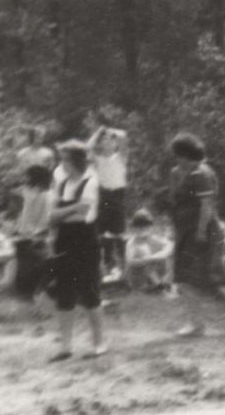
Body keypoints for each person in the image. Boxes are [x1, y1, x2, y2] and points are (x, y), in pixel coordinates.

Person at [169, 133, 225, 337]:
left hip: (201, 232)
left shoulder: (200, 174)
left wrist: (200, 232)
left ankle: (202, 322)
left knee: (190, 278)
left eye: (179, 155)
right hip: (192, 232)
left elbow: (206, 206)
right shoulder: (195, 172)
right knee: (198, 278)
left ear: (185, 155)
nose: (177, 160)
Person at [47, 141, 107, 360]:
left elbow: (83, 214)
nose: (61, 163)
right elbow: (51, 217)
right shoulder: (61, 184)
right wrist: (70, 210)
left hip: (85, 242)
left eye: (64, 159)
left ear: (74, 161)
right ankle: (65, 346)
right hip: (64, 241)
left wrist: (62, 212)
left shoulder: (90, 181)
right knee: (65, 293)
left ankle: (99, 344)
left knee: (90, 292)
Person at [87, 118, 130, 279]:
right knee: (101, 233)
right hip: (103, 195)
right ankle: (105, 265)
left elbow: (124, 137)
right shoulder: (97, 159)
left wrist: (112, 131)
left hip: (118, 195)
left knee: (119, 232)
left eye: (110, 141)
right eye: (104, 141)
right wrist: (98, 132)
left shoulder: (121, 157)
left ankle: (124, 267)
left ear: (115, 144)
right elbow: (87, 148)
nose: (107, 143)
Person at [12, 163, 54, 304]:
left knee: (32, 260)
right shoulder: (31, 192)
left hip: (37, 237)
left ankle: (33, 288)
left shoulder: (46, 196)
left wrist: (36, 235)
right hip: (25, 234)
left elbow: (45, 220)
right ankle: (25, 287)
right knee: (22, 263)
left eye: (27, 176)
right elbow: (24, 211)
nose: (24, 179)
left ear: (35, 178)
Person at [124, 209, 174, 292]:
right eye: (139, 227)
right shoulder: (131, 242)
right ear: (134, 228)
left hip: (150, 273)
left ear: (150, 228)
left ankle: (160, 282)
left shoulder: (152, 238)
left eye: (145, 227)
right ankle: (156, 285)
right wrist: (145, 259)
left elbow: (169, 245)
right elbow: (130, 261)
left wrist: (156, 256)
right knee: (143, 251)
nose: (141, 230)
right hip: (137, 275)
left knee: (162, 255)